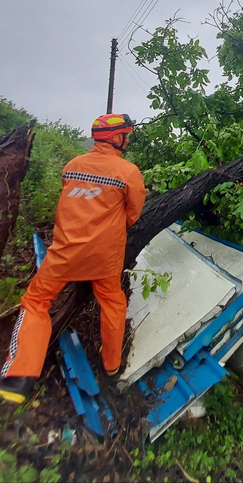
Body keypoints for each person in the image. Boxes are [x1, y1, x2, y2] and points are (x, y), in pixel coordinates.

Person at [0, 113, 146, 404]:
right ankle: (111, 365)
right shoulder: (129, 172)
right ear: (118, 138)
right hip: (104, 259)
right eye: (126, 135)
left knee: (36, 302)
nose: (127, 139)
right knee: (113, 302)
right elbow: (133, 214)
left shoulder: (72, 166)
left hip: (63, 255)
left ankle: (18, 377)